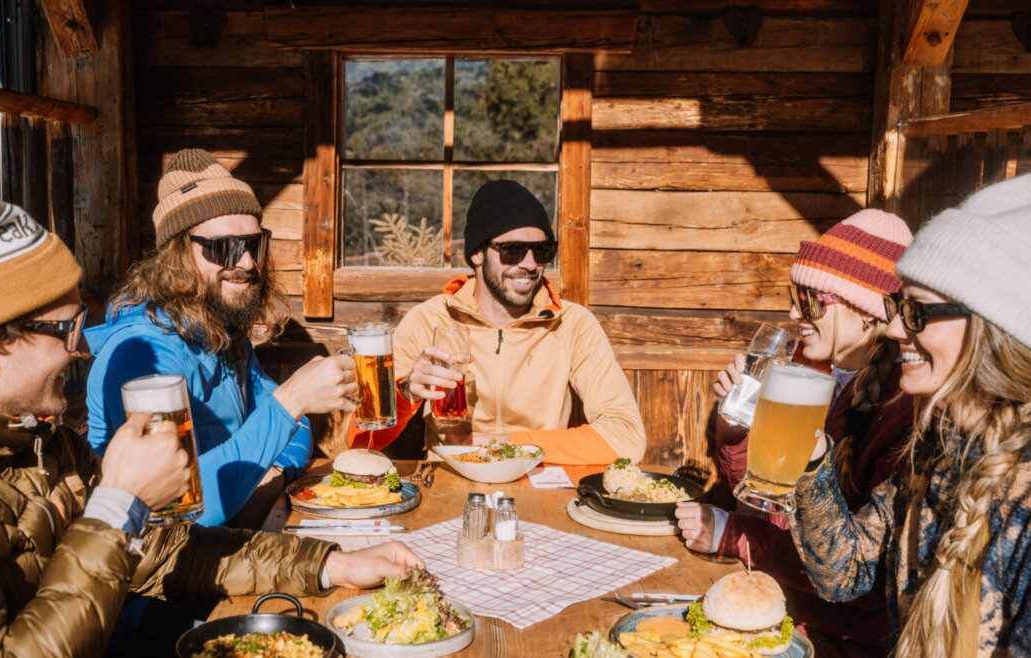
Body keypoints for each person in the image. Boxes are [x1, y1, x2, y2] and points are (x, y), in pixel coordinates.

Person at [0, 117, 422, 657]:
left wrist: (329, 564)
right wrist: (116, 507)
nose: (82, 350)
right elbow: (169, 519)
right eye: (66, 330)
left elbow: (162, 548)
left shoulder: (34, 436)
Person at [791, 174, 1031, 656]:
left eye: (917, 311)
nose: (895, 328)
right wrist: (810, 458)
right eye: (898, 307)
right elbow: (844, 573)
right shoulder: (937, 449)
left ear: (991, 329)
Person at [674, 209, 915, 657]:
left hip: (841, 639)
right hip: (782, 605)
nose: (793, 312)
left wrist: (736, 536)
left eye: (810, 300)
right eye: (794, 296)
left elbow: (858, 574)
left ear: (866, 310)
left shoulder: (902, 408)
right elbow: (767, 498)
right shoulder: (811, 366)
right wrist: (735, 430)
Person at [86, 149, 357, 527]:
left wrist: (274, 473)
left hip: (226, 547)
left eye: (253, 245)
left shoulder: (222, 332)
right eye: (223, 248)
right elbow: (183, 507)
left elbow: (296, 429)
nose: (246, 262)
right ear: (178, 254)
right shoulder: (143, 353)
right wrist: (292, 400)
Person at [351, 179, 646, 464]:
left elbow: (627, 438)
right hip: (449, 480)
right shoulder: (429, 319)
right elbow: (359, 442)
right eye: (512, 250)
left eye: (541, 251)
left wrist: (505, 445)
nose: (530, 264)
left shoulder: (572, 324)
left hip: (539, 480)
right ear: (477, 254)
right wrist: (406, 394)